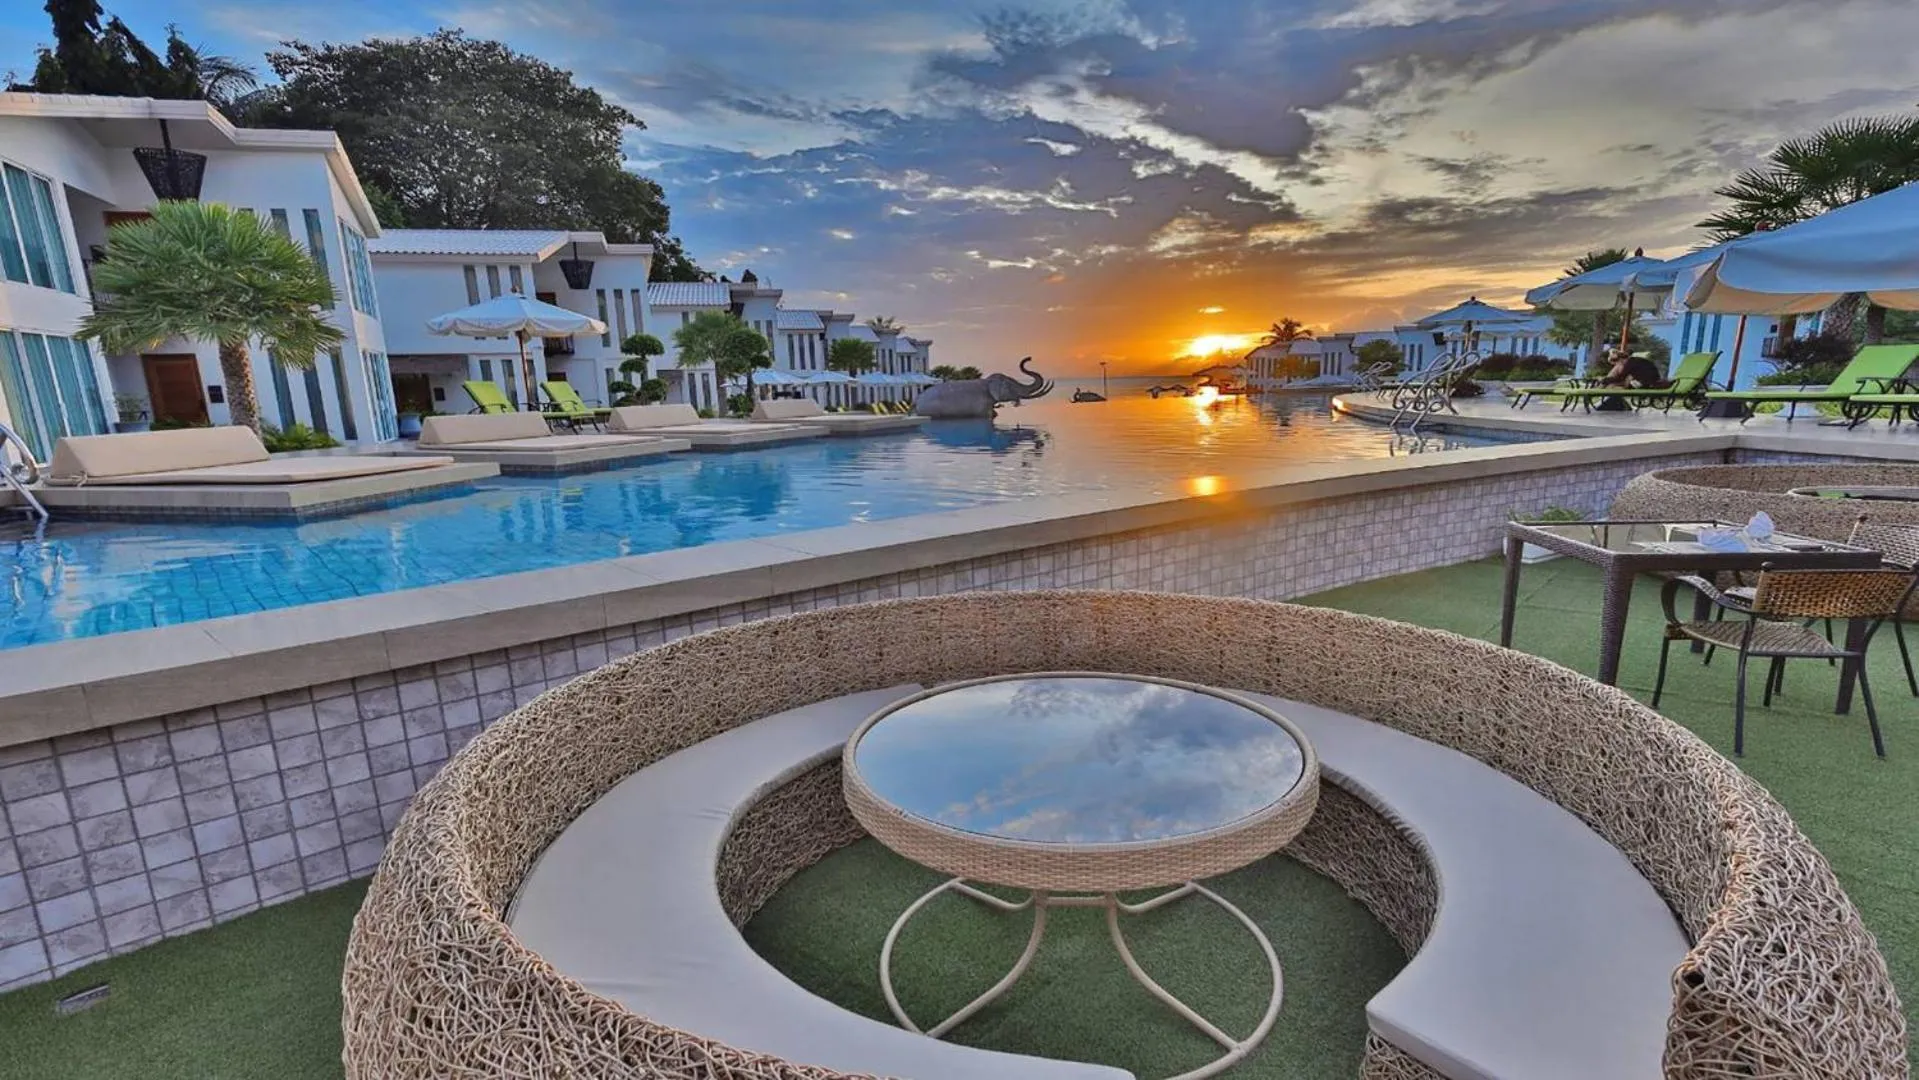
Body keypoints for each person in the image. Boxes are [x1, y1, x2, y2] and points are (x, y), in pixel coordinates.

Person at [1591, 348, 1667, 411]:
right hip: (1647, 381)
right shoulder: (1633, 361)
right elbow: (1622, 377)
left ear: (1620, 360)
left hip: (1647, 383)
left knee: (1615, 385)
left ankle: (1613, 398)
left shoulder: (1629, 364)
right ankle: (1612, 396)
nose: (1618, 366)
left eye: (1617, 364)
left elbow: (1620, 377)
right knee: (1616, 384)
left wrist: (1604, 380)